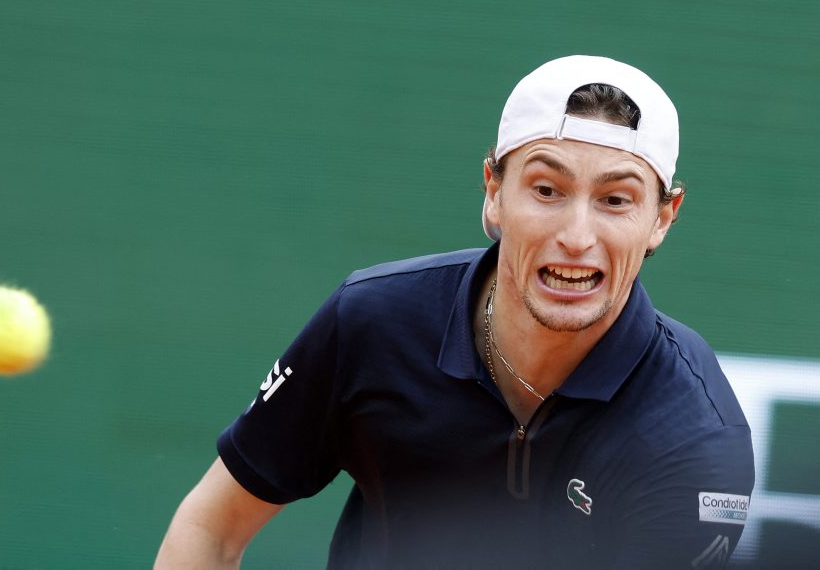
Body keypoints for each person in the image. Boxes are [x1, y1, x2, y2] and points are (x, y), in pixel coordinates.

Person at [155, 55, 755, 568]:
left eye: (615, 200)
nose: (577, 236)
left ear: (662, 219)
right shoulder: (372, 323)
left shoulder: (694, 437)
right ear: (494, 192)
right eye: (546, 190)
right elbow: (211, 529)